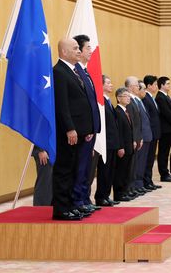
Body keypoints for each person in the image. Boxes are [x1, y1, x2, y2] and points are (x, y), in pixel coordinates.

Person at [52, 38, 94, 220]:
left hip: (79, 131)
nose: (79, 51)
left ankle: (70, 204)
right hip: (68, 132)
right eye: (75, 48)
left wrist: (86, 129)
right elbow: (62, 104)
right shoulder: (59, 72)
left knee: (73, 169)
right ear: (64, 52)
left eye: (79, 48)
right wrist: (70, 128)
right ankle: (61, 209)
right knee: (64, 170)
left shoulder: (74, 71)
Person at [72, 34, 101, 215]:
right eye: (88, 48)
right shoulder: (77, 72)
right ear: (79, 51)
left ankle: (84, 198)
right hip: (83, 130)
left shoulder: (86, 71)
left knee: (86, 168)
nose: (91, 51)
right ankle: (78, 201)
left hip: (90, 129)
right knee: (80, 167)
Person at [94, 75, 120, 207]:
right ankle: (100, 196)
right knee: (104, 171)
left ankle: (106, 195)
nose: (111, 85)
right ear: (101, 85)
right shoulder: (100, 102)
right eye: (108, 83)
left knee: (110, 171)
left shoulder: (108, 101)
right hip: (105, 142)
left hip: (113, 142)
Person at [155, 76, 171, 182]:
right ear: (162, 85)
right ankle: (164, 174)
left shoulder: (166, 96)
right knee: (163, 153)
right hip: (165, 129)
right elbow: (167, 113)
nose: (169, 86)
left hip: (170, 129)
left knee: (166, 152)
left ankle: (167, 172)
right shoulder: (160, 97)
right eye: (168, 84)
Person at [113, 87, 135, 202]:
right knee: (120, 171)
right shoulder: (117, 112)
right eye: (126, 96)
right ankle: (119, 194)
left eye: (129, 96)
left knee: (127, 170)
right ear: (118, 98)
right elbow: (119, 132)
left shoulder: (126, 111)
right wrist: (120, 146)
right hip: (123, 147)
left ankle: (125, 191)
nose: (128, 98)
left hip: (129, 146)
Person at [142, 75, 162, 190]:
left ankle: (149, 180)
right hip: (150, 133)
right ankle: (146, 181)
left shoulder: (151, 98)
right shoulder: (145, 98)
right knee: (148, 159)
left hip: (155, 133)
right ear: (148, 86)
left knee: (150, 159)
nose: (156, 86)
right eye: (155, 84)